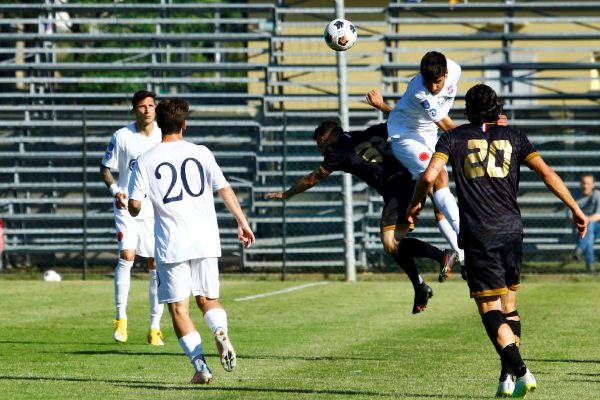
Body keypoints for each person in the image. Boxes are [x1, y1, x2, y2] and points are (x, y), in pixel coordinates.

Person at [406, 84, 587, 398]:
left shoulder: (453, 137)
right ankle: (506, 377)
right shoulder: (515, 136)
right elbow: (545, 172)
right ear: (496, 108)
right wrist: (575, 207)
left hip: (480, 234)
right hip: (512, 231)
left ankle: (521, 371)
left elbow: (428, 175)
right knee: (510, 306)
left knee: (488, 308)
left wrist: (415, 204)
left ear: (468, 109)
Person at [266, 121, 460, 314]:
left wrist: (287, 194)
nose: (320, 149)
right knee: (394, 244)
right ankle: (420, 285)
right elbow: (397, 121)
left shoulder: (336, 152)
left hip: (398, 187)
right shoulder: (367, 132)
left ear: (327, 137)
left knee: (390, 243)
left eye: (320, 144)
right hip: (408, 181)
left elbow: (311, 179)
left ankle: (440, 255)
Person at [128, 97, 255, 384]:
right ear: (185, 124)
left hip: (172, 243)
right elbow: (224, 189)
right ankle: (219, 332)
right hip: (206, 238)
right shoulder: (202, 152)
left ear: (159, 124)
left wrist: (133, 204)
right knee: (208, 300)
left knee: (178, 308)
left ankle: (201, 368)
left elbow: (134, 205)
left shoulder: (146, 159)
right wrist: (242, 221)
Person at [366, 51, 465, 265]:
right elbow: (448, 127)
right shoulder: (420, 90)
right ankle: (463, 233)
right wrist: (482, 135)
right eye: (428, 82)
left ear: (447, 72)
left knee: (440, 196)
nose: (433, 88)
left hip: (428, 134)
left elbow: (406, 112)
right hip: (406, 138)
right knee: (437, 179)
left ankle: (464, 255)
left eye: (437, 82)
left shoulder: (455, 69)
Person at [100, 89, 165, 345]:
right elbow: (105, 167)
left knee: (154, 264)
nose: (147, 110)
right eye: (142, 106)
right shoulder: (122, 136)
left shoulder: (164, 136)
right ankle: (121, 319)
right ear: (134, 109)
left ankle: (154, 326)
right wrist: (116, 191)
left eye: (151, 105)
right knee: (127, 255)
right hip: (127, 205)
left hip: (153, 208)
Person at [572, 174, 600, 273]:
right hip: (578, 228)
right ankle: (591, 267)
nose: (585, 186)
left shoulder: (597, 195)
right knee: (590, 237)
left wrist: (585, 221)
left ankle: (579, 249)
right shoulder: (575, 195)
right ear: (580, 184)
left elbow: (599, 215)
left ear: (593, 185)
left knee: (590, 226)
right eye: (583, 183)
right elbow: (570, 215)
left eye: (588, 184)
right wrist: (580, 224)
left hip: (597, 228)